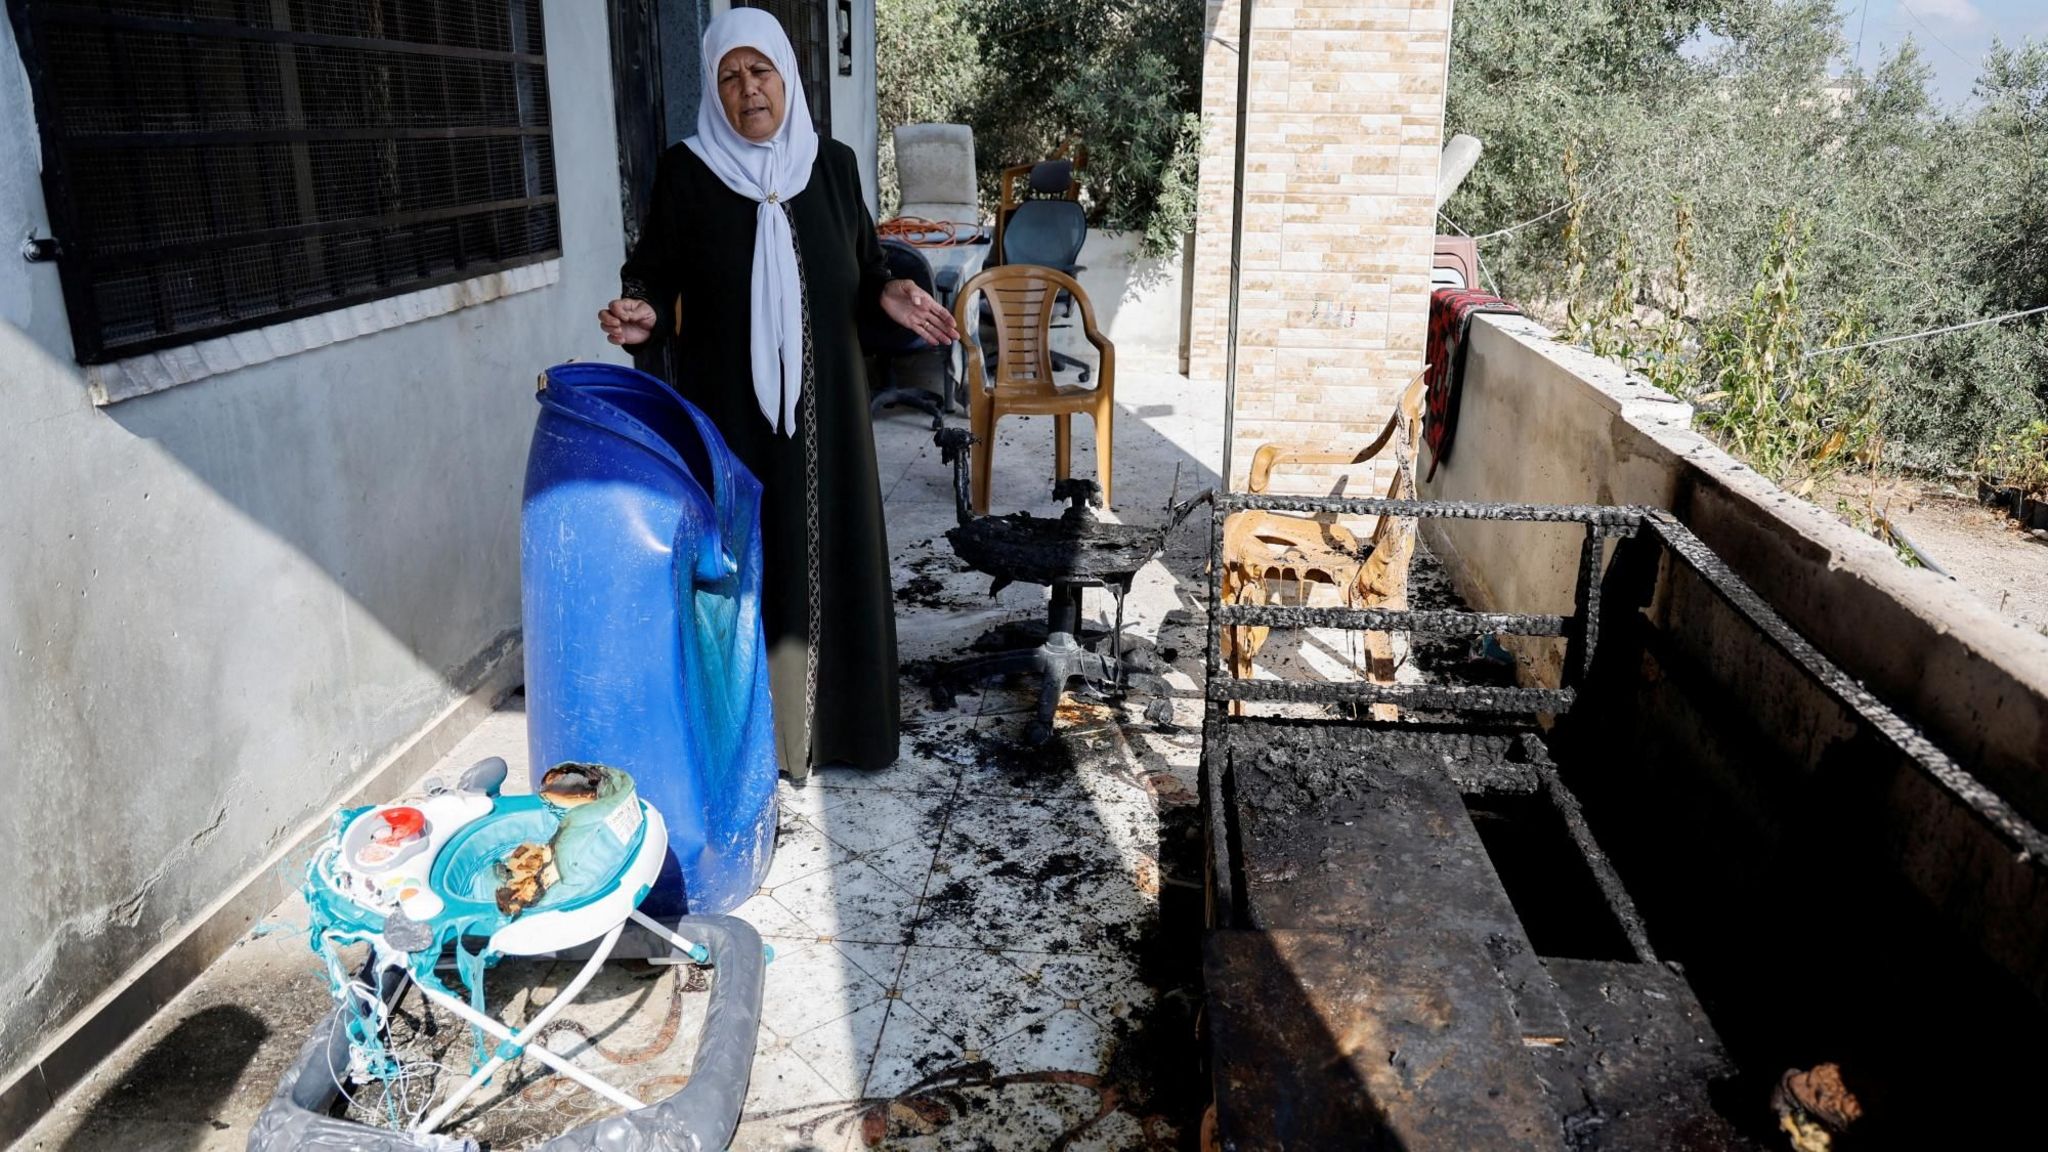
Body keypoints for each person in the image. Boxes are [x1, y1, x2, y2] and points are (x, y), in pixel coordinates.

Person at [598, 8, 956, 781]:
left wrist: (890, 292)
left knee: (833, 556)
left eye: (760, 72)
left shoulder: (832, 166)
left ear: (787, 77)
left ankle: (846, 733)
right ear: (714, 90)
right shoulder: (687, 173)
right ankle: (757, 745)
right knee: (746, 563)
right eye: (729, 77)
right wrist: (643, 312)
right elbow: (655, 274)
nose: (747, 89)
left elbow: (862, 275)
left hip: (828, 417)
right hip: (733, 415)